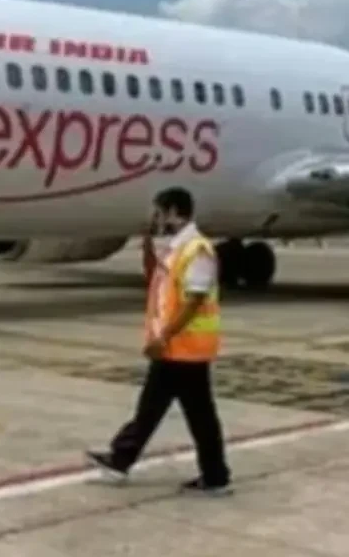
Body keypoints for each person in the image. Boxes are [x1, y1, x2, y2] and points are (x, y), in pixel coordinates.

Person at [86, 187, 232, 495]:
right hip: (175, 348)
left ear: (173, 212)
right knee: (160, 408)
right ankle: (122, 459)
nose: (156, 218)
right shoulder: (178, 248)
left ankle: (213, 476)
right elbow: (160, 286)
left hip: (184, 350)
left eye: (159, 212)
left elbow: (193, 302)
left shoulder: (197, 250)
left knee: (189, 414)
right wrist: (148, 246)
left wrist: (163, 336)